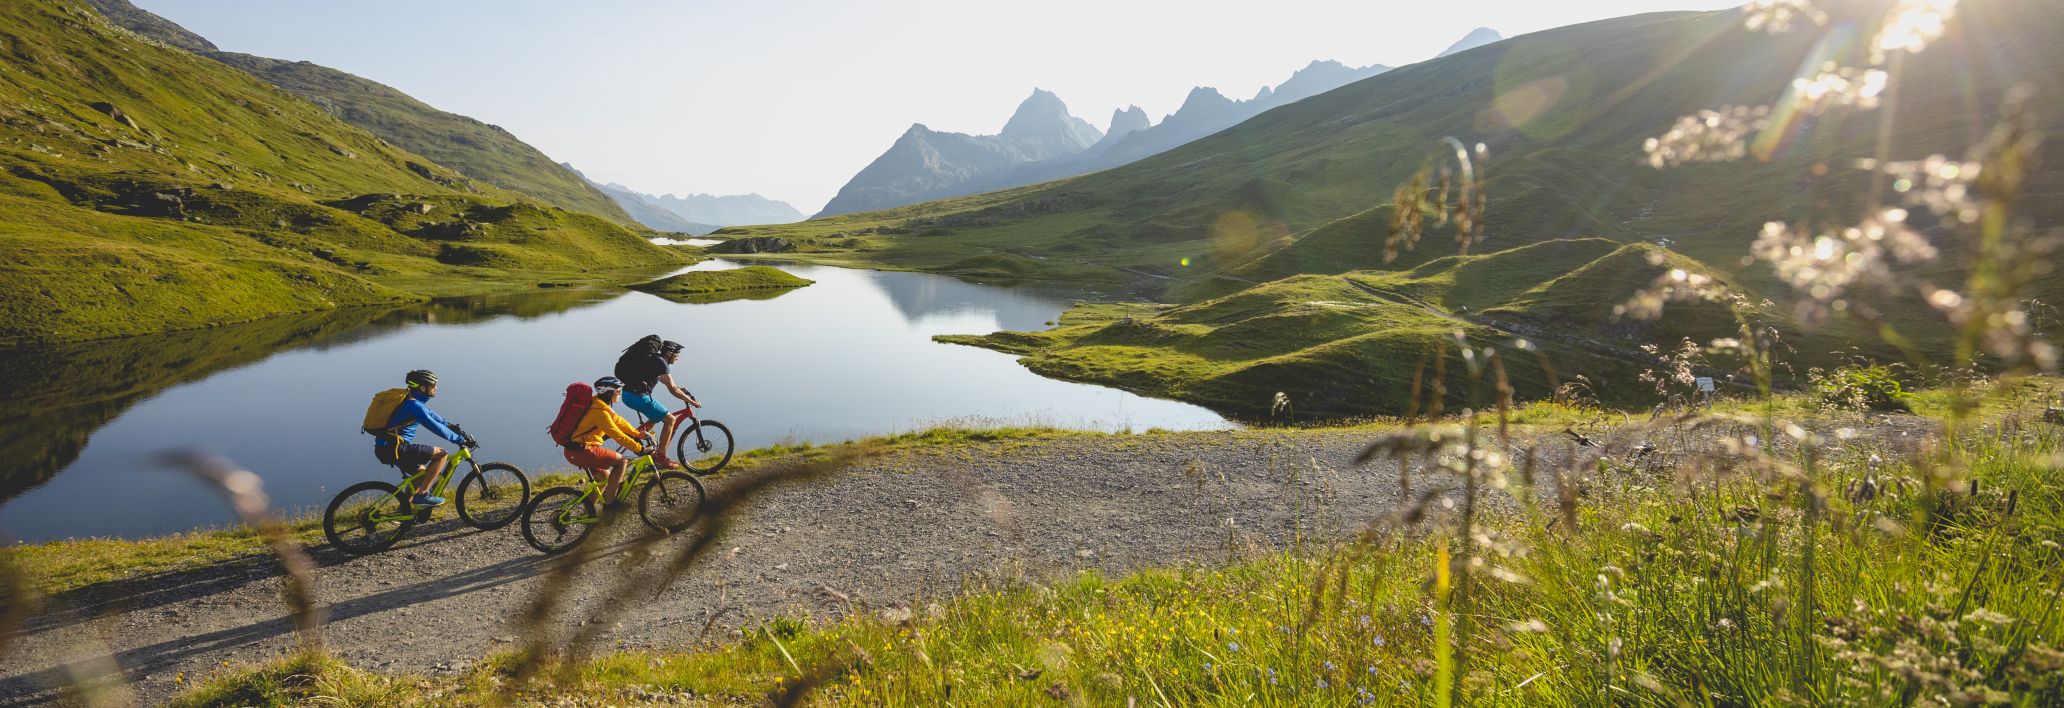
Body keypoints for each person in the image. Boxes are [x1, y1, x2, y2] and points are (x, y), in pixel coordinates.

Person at [374, 369, 469, 507]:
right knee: (442, 454)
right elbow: (433, 425)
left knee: (421, 474)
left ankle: (404, 510)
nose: (435, 388)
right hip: (395, 448)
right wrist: (459, 439)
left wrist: (450, 426)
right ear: (422, 387)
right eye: (433, 385)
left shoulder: (411, 401)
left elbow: (434, 417)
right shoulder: (413, 405)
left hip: (385, 448)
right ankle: (422, 494)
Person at [563, 376, 651, 505]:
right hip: (583, 451)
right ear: (609, 392)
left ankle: (589, 511)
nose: (620, 394)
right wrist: (640, 449)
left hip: (575, 450)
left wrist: (637, 434)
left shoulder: (599, 404)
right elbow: (617, 435)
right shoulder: (600, 413)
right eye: (618, 391)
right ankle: (611, 503)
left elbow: (619, 421)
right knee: (622, 461)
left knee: (604, 477)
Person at [614, 338, 700, 469]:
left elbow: (667, 382)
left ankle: (635, 437)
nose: (677, 358)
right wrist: (691, 401)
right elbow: (673, 389)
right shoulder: (661, 363)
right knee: (670, 419)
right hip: (638, 397)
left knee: (655, 417)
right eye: (676, 355)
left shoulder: (656, 360)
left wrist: (679, 390)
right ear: (669, 353)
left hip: (629, 395)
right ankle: (661, 458)